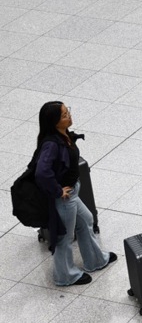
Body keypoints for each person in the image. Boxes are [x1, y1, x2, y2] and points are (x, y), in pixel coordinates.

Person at [34, 102, 116, 287]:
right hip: (64, 198)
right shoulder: (51, 144)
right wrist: (57, 190)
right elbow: (41, 172)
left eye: (67, 111)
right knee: (65, 237)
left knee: (86, 220)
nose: (69, 116)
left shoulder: (63, 136)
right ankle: (65, 276)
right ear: (54, 122)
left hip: (72, 192)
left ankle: (95, 260)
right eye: (64, 115)